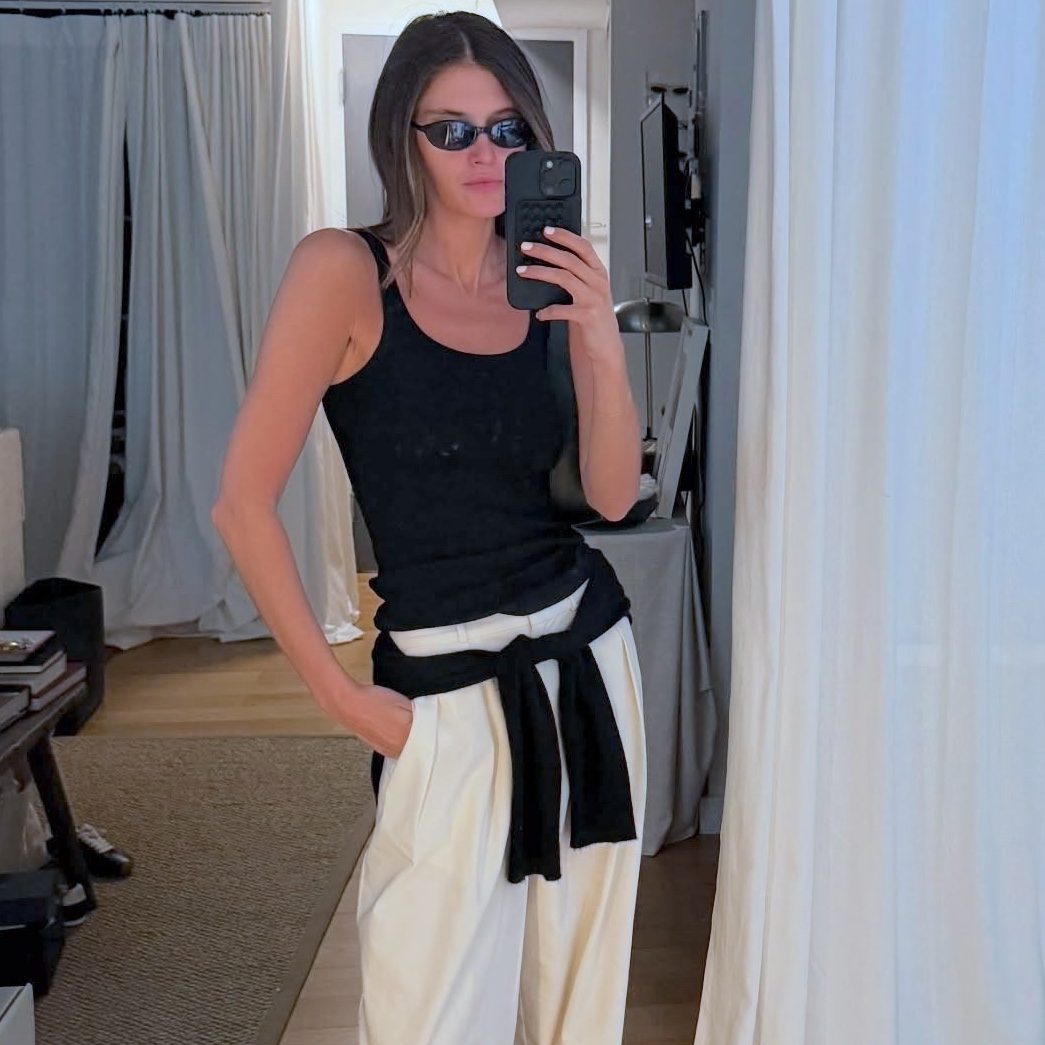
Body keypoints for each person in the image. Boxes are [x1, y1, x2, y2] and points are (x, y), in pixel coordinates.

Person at [212, 12, 647, 1044]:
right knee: (426, 1013)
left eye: (507, 129)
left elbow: (612, 496)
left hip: (587, 663)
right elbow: (240, 501)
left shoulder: (550, 278)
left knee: (576, 1007)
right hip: (440, 697)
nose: (484, 153)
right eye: (451, 131)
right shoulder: (342, 272)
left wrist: (598, 336)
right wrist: (344, 700)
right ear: (400, 139)